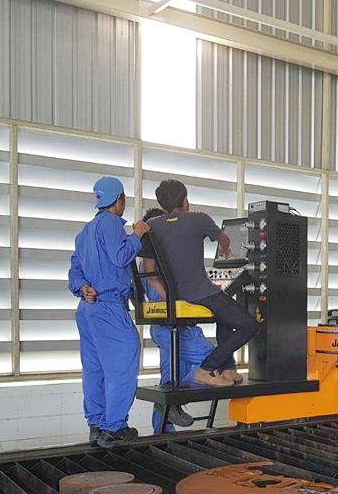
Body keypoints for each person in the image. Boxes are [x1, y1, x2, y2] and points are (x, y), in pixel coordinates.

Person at [140, 179, 255, 387]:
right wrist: (225, 249)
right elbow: (224, 239)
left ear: (162, 205)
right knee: (249, 325)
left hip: (176, 297)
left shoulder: (151, 226)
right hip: (202, 293)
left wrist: (170, 298)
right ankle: (207, 368)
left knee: (225, 315)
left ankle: (228, 369)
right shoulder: (199, 218)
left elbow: (150, 272)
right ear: (185, 201)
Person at [68, 176, 149, 448]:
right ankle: (114, 427)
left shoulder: (84, 233)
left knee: (95, 368)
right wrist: (137, 234)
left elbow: (74, 271)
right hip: (109, 307)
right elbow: (120, 256)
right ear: (120, 199)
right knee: (124, 359)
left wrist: (83, 288)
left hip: (87, 309)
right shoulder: (112, 223)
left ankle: (96, 425)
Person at [138, 207, 214, 434]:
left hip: (161, 328)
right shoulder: (163, 259)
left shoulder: (144, 262)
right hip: (177, 328)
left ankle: (162, 436)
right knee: (219, 364)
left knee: (168, 383)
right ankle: (173, 403)